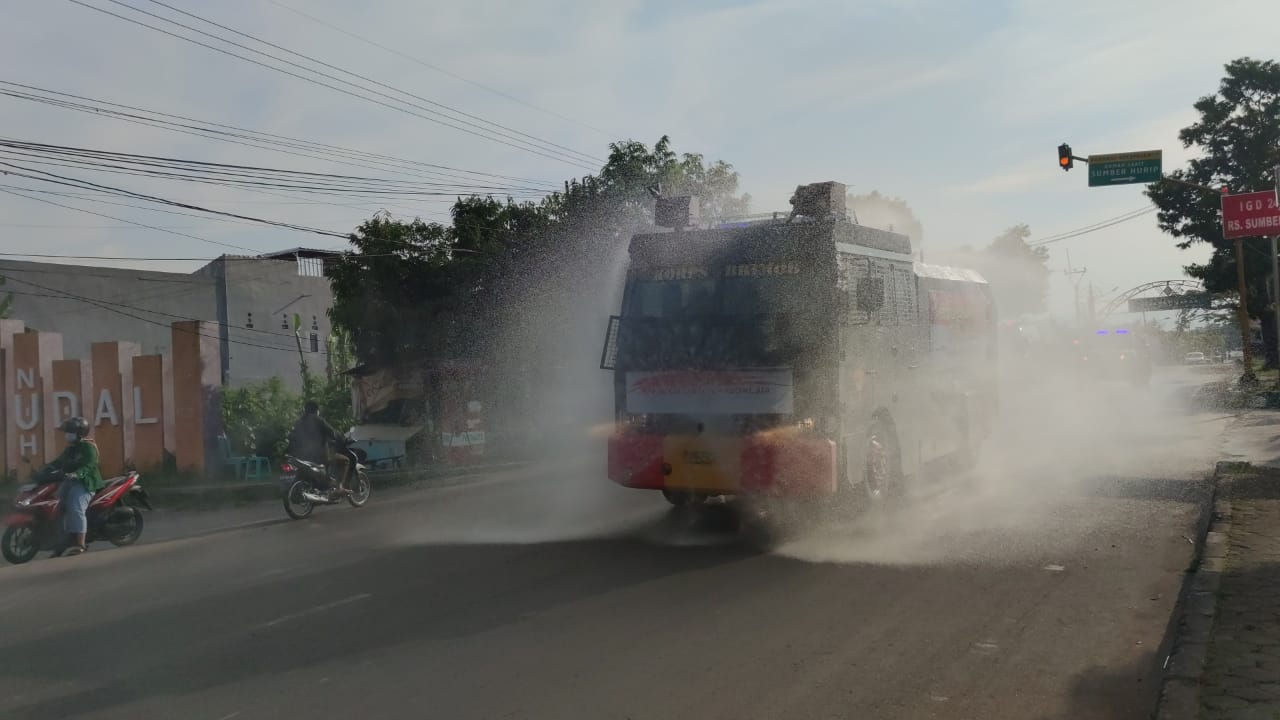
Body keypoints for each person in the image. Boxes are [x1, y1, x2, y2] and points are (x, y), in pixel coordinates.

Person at [49, 416, 103, 557]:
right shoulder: (70, 449)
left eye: (70, 431)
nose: (67, 434)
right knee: (56, 505)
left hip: (86, 482)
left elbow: (89, 466)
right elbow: (58, 462)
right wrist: (44, 469)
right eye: (67, 431)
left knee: (75, 506)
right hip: (70, 480)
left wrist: (77, 474)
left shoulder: (88, 447)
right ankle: (62, 541)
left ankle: (81, 544)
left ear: (80, 433)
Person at [289, 400, 349, 495]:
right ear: (317, 410)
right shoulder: (318, 420)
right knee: (344, 460)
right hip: (319, 456)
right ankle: (339, 487)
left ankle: (325, 482)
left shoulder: (298, 422)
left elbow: (292, 437)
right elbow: (332, 433)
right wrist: (342, 438)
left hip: (300, 457)